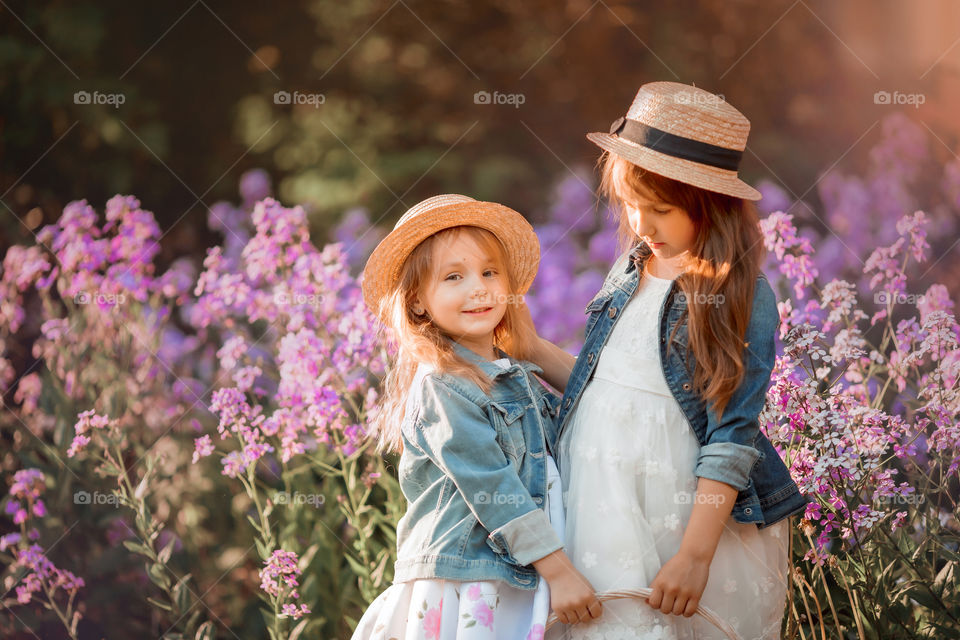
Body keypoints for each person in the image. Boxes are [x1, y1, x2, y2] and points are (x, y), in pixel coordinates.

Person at [526, 82, 810, 639]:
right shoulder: (629, 272)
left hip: (684, 519)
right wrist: (529, 349)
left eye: (661, 210)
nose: (641, 224)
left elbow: (732, 437)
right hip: (600, 504)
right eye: (631, 204)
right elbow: (603, 384)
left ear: (713, 206)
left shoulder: (738, 294)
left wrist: (696, 556)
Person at [352, 194, 602, 639]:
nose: (480, 288)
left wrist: (533, 348)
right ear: (417, 304)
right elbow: (492, 489)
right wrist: (560, 571)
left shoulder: (517, 375)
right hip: (469, 579)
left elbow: (588, 411)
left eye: (490, 272)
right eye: (454, 277)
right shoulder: (442, 386)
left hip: (519, 571)